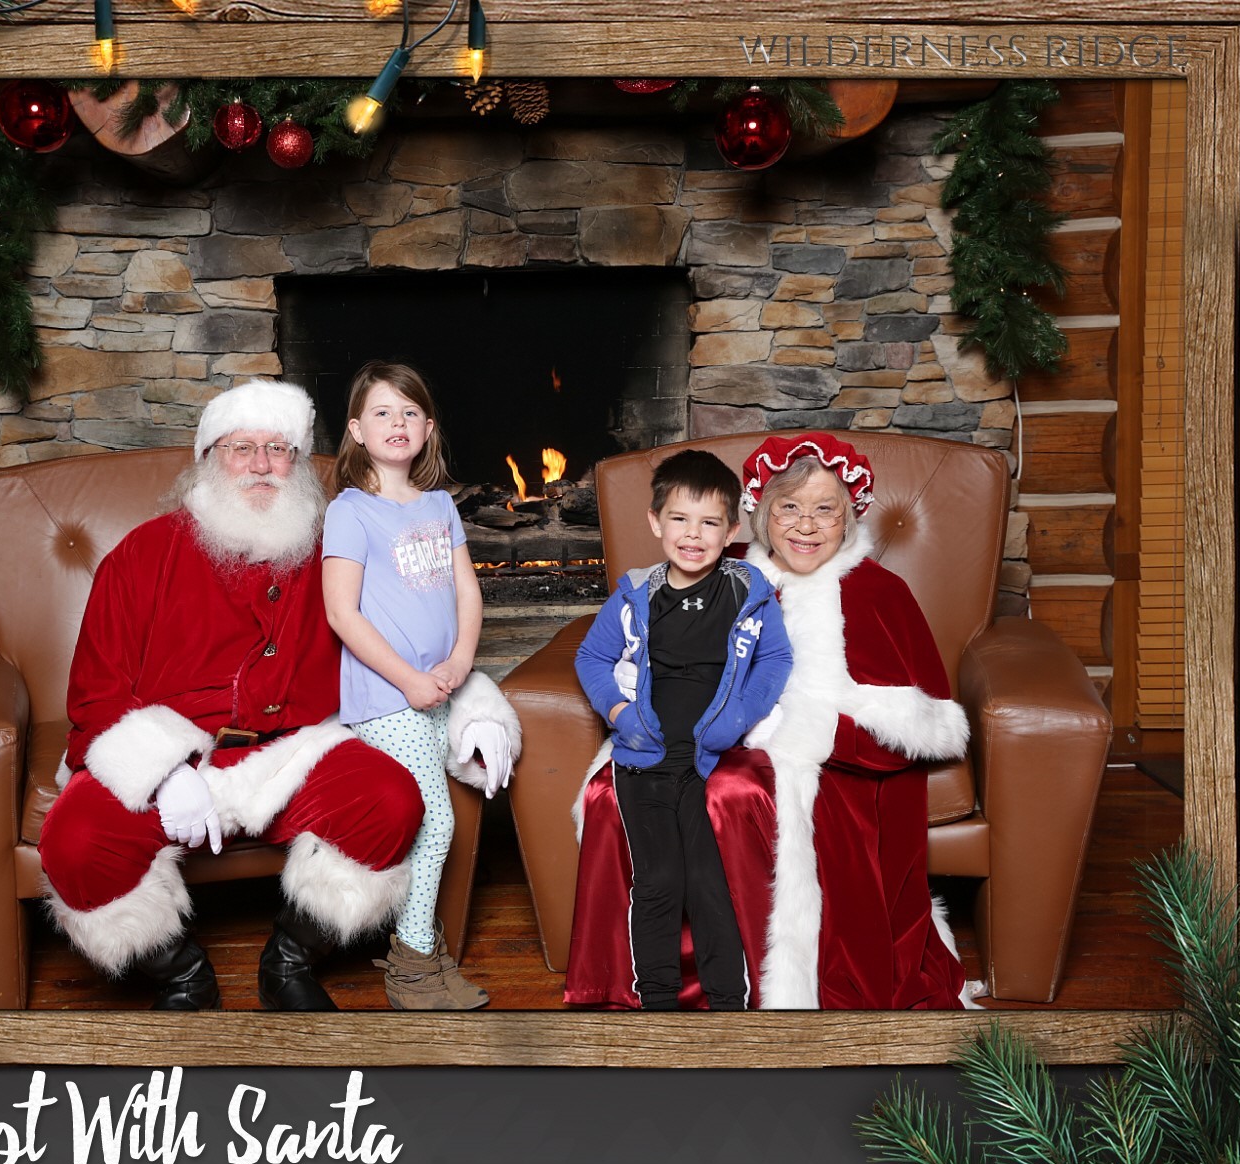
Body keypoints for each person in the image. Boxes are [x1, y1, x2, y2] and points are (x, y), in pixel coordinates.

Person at [36, 378, 519, 1012]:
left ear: (298, 463)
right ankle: (181, 975)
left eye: (279, 449)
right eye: (242, 448)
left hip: (294, 751)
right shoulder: (140, 556)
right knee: (74, 843)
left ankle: (290, 959)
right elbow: (95, 694)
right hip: (178, 759)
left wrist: (472, 707)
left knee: (391, 802)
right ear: (208, 459)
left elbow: (412, 641)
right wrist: (163, 772)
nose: (262, 465)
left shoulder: (334, 547)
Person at [567, 433, 972, 1010]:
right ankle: (629, 985)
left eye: (825, 509)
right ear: (758, 513)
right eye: (789, 507)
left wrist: (802, 731)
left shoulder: (879, 592)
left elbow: (925, 725)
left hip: (830, 767)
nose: (806, 525)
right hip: (687, 738)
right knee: (611, 791)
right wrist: (629, 700)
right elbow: (629, 643)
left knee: (729, 794)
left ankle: (746, 992)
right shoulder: (722, 569)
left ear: (849, 515)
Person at [567, 449, 792, 1010]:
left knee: (709, 882)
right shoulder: (636, 594)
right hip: (643, 757)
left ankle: (728, 1004)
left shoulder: (747, 591)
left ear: (732, 530)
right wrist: (619, 715)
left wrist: (741, 717)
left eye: (710, 522)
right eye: (679, 519)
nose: (693, 534)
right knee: (660, 879)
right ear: (655, 522)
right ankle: (659, 1005)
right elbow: (592, 658)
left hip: (707, 760)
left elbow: (775, 658)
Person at [322, 361, 507, 1010]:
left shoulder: (438, 505)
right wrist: (407, 680)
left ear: (428, 429)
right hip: (385, 697)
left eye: (409, 413)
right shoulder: (350, 512)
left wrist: (459, 660)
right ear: (356, 430)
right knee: (435, 821)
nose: (396, 423)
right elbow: (341, 613)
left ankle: (424, 952)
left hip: (439, 687)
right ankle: (412, 964)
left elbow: (466, 591)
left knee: (446, 811)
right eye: (382, 412)